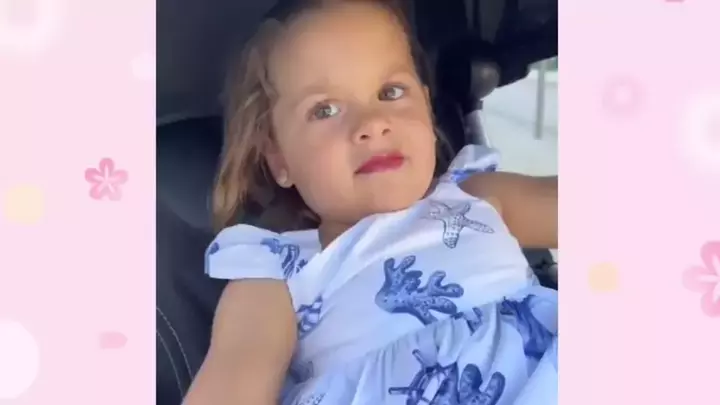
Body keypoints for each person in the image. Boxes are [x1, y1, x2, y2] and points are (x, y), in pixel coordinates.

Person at [184, 0, 558, 404]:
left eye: (391, 92)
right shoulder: (276, 275)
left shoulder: (476, 195)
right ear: (278, 159)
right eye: (325, 110)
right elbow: (236, 379)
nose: (373, 123)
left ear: (428, 113)